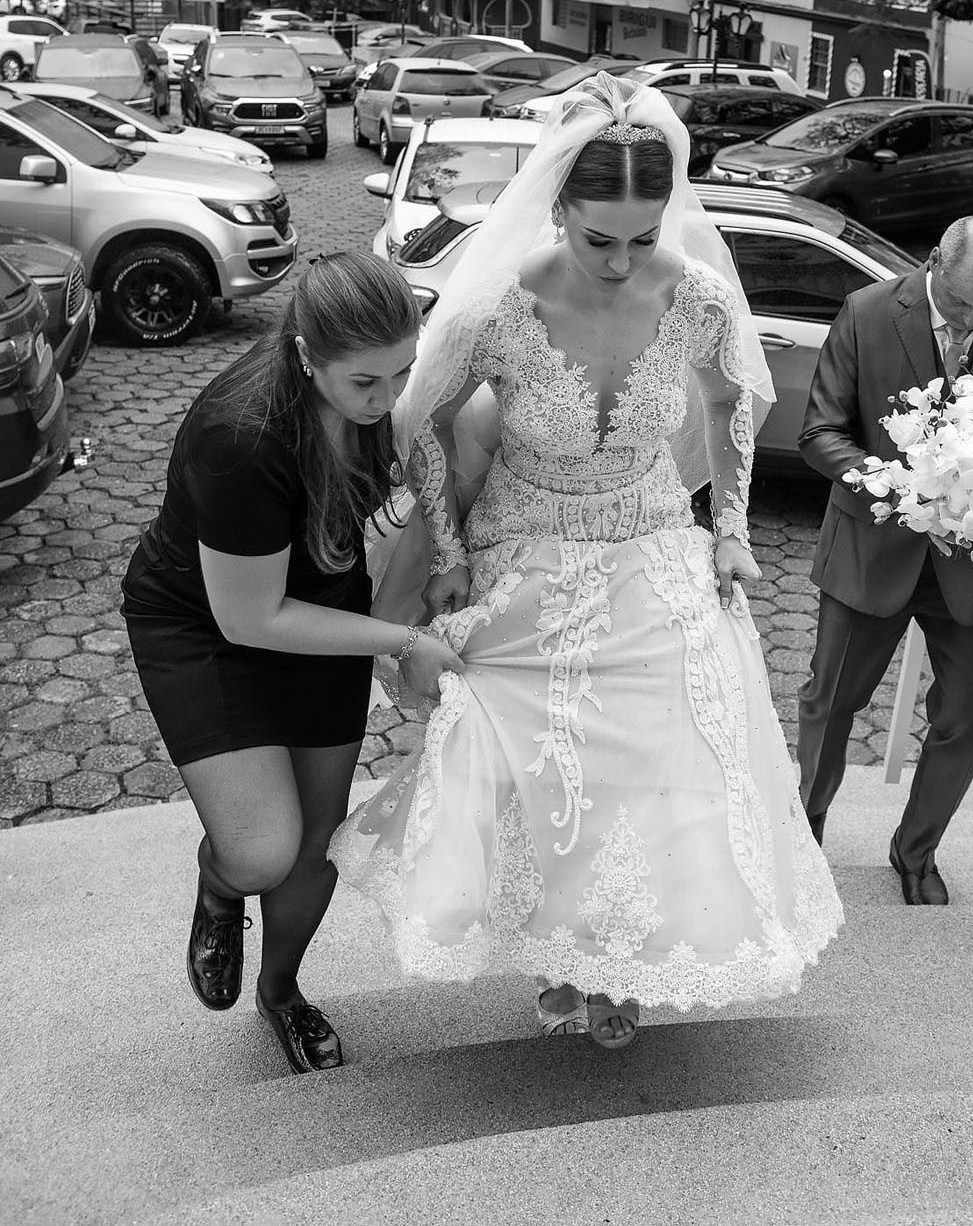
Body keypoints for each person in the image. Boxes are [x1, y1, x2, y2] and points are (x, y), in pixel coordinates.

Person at [330, 72, 843, 1049]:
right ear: (558, 207)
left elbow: (732, 404)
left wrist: (731, 528)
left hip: (651, 536)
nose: (620, 262)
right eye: (599, 238)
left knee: (663, 758)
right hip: (526, 543)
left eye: (642, 239)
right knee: (536, 759)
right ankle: (558, 953)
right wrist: (447, 547)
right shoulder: (497, 307)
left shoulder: (695, 297)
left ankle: (627, 955)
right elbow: (425, 422)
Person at [121, 252, 463, 1073]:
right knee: (261, 851)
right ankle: (220, 878)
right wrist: (401, 642)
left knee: (317, 841)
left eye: (402, 373)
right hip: (208, 625)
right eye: (366, 383)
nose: (388, 399)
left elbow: (428, 460)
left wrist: (444, 556)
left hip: (318, 611)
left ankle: (282, 992)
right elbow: (251, 617)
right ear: (307, 354)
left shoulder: (368, 391)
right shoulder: (240, 435)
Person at [796, 216, 973, 904]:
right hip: (871, 550)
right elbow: (820, 431)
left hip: (970, 562)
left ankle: (916, 849)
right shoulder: (866, 312)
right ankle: (802, 835)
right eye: (962, 304)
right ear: (934, 264)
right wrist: (892, 485)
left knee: (971, 724)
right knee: (831, 704)